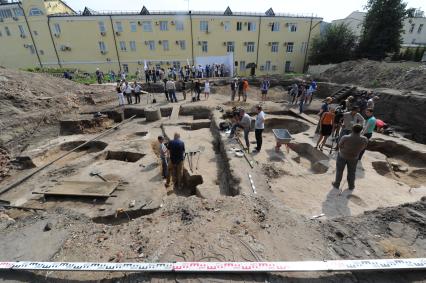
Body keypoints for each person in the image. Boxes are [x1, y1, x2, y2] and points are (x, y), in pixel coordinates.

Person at [332, 124, 368, 191]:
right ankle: (351, 186)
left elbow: (339, 145)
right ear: (361, 131)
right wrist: (357, 150)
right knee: (352, 172)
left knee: (339, 170)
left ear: (352, 129)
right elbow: (364, 147)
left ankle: (337, 184)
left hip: (342, 155)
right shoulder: (364, 139)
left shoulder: (346, 137)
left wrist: (344, 149)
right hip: (354, 157)